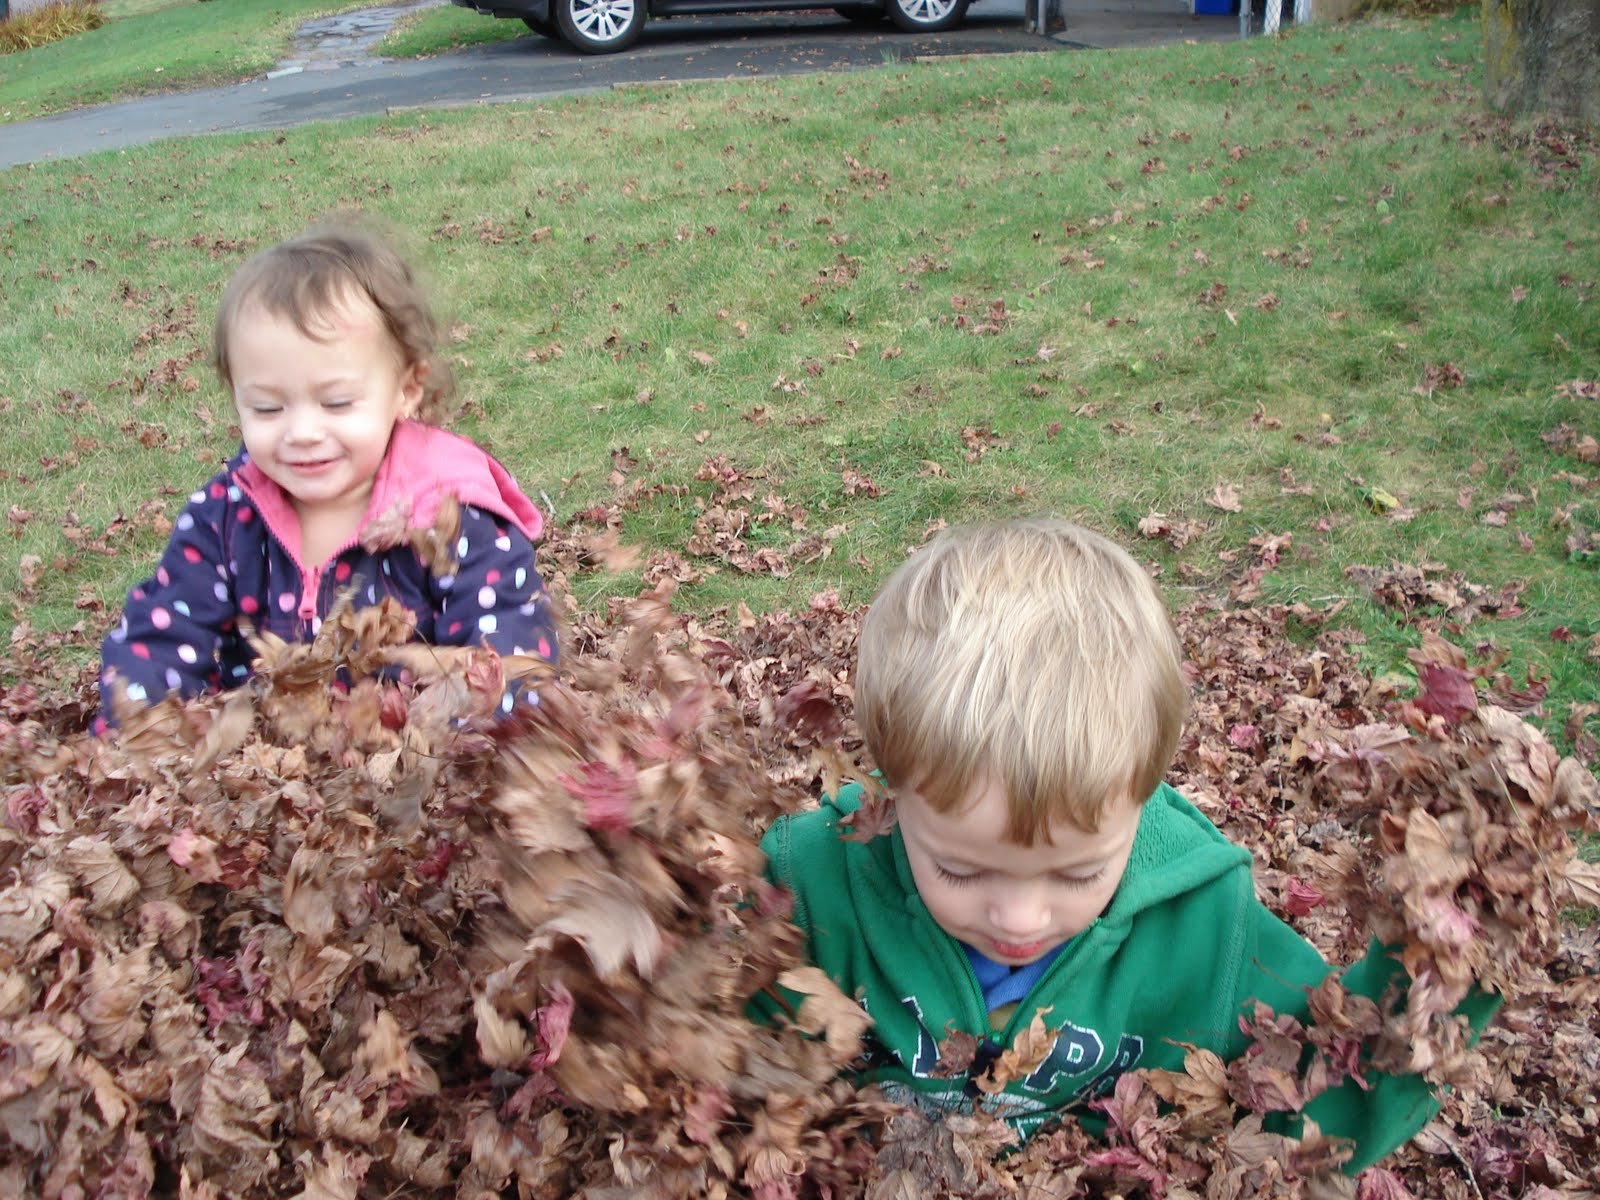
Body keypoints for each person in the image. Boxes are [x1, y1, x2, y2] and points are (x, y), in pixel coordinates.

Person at [755, 517, 1497, 1173]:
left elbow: (1319, 1095)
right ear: (889, 797)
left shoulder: (1203, 925)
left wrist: (1440, 964)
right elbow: (725, 1048)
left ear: (1141, 803)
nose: (1019, 918)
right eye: (960, 868)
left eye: (1078, 873)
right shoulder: (814, 886)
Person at [97, 219, 557, 732]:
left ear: (406, 389)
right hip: (266, 758)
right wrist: (141, 734)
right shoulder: (225, 518)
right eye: (268, 408)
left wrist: (473, 750)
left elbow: (508, 648)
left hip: (422, 755)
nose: (302, 432)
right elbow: (162, 640)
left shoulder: (451, 514)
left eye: (336, 403)